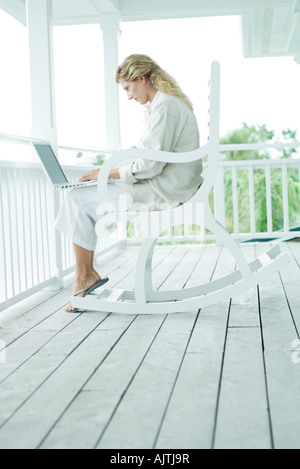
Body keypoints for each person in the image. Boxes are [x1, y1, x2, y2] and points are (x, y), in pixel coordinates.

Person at [55, 54, 203, 311]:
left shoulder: (165, 106)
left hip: (165, 189)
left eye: (128, 88)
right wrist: (109, 172)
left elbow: (150, 166)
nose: (129, 96)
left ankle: (84, 276)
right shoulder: (165, 105)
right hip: (168, 183)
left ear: (142, 79)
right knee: (80, 198)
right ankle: (86, 274)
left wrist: (105, 173)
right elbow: (151, 161)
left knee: (77, 198)